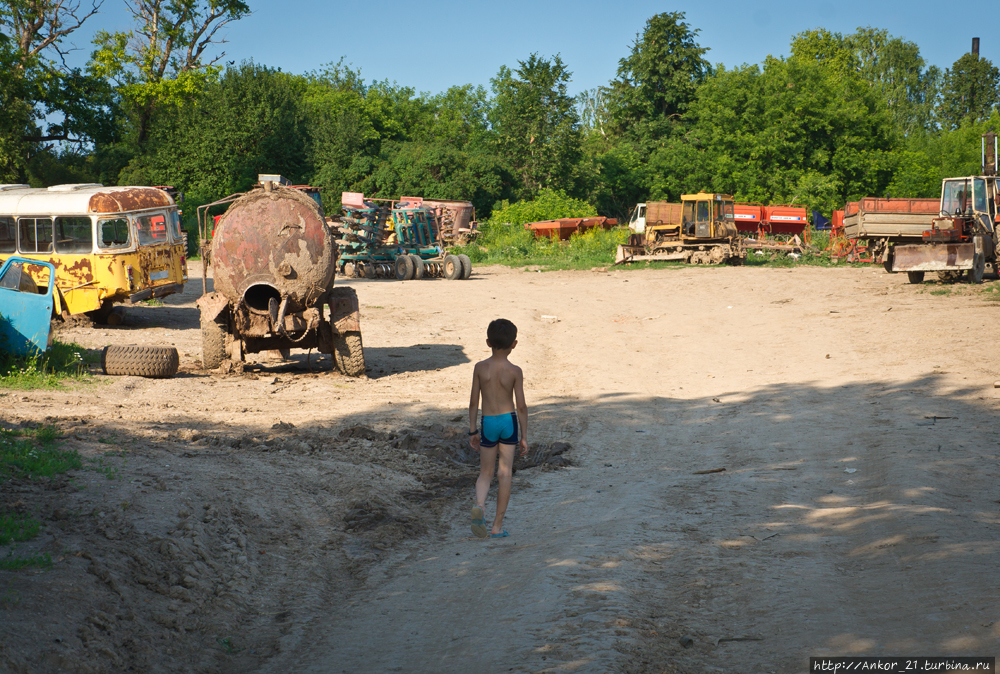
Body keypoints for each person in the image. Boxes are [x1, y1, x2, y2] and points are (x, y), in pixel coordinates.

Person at [468, 318, 528, 538]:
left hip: (488, 422)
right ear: (514, 344)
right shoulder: (515, 371)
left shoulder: (480, 368)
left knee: (485, 472)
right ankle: (496, 526)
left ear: (488, 342)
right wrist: (524, 436)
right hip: (508, 421)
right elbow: (521, 405)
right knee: (504, 473)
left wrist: (473, 430)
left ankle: (480, 506)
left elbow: (474, 402)